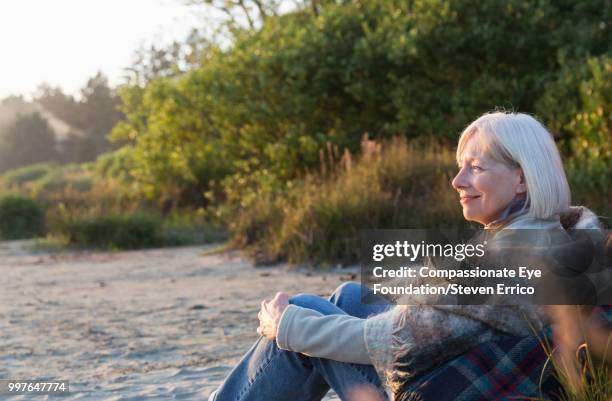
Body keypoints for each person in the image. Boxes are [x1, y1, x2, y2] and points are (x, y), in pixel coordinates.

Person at [208, 112, 604, 401]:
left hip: (446, 391)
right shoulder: (573, 237)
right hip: (484, 369)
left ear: (521, 179)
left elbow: (387, 341)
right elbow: (445, 322)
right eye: (459, 167)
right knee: (348, 296)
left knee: (301, 313)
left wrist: (285, 325)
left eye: (475, 168)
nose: (457, 181)